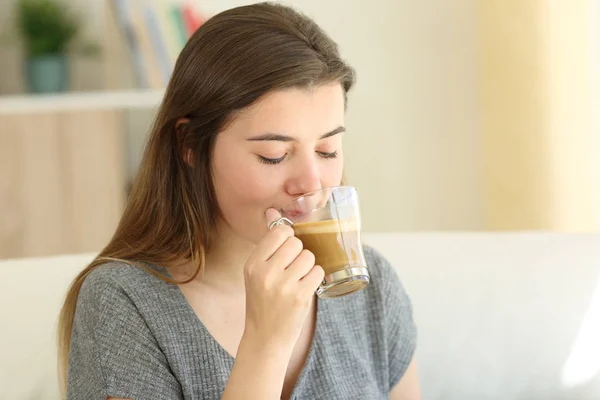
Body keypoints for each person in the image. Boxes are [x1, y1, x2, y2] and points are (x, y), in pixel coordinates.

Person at [58, 2, 420, 399]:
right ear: (190, 145)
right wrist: (266, 343)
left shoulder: (373, 290)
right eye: (274, 155)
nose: (310, 183)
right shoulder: (125, 304)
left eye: (328, 149)